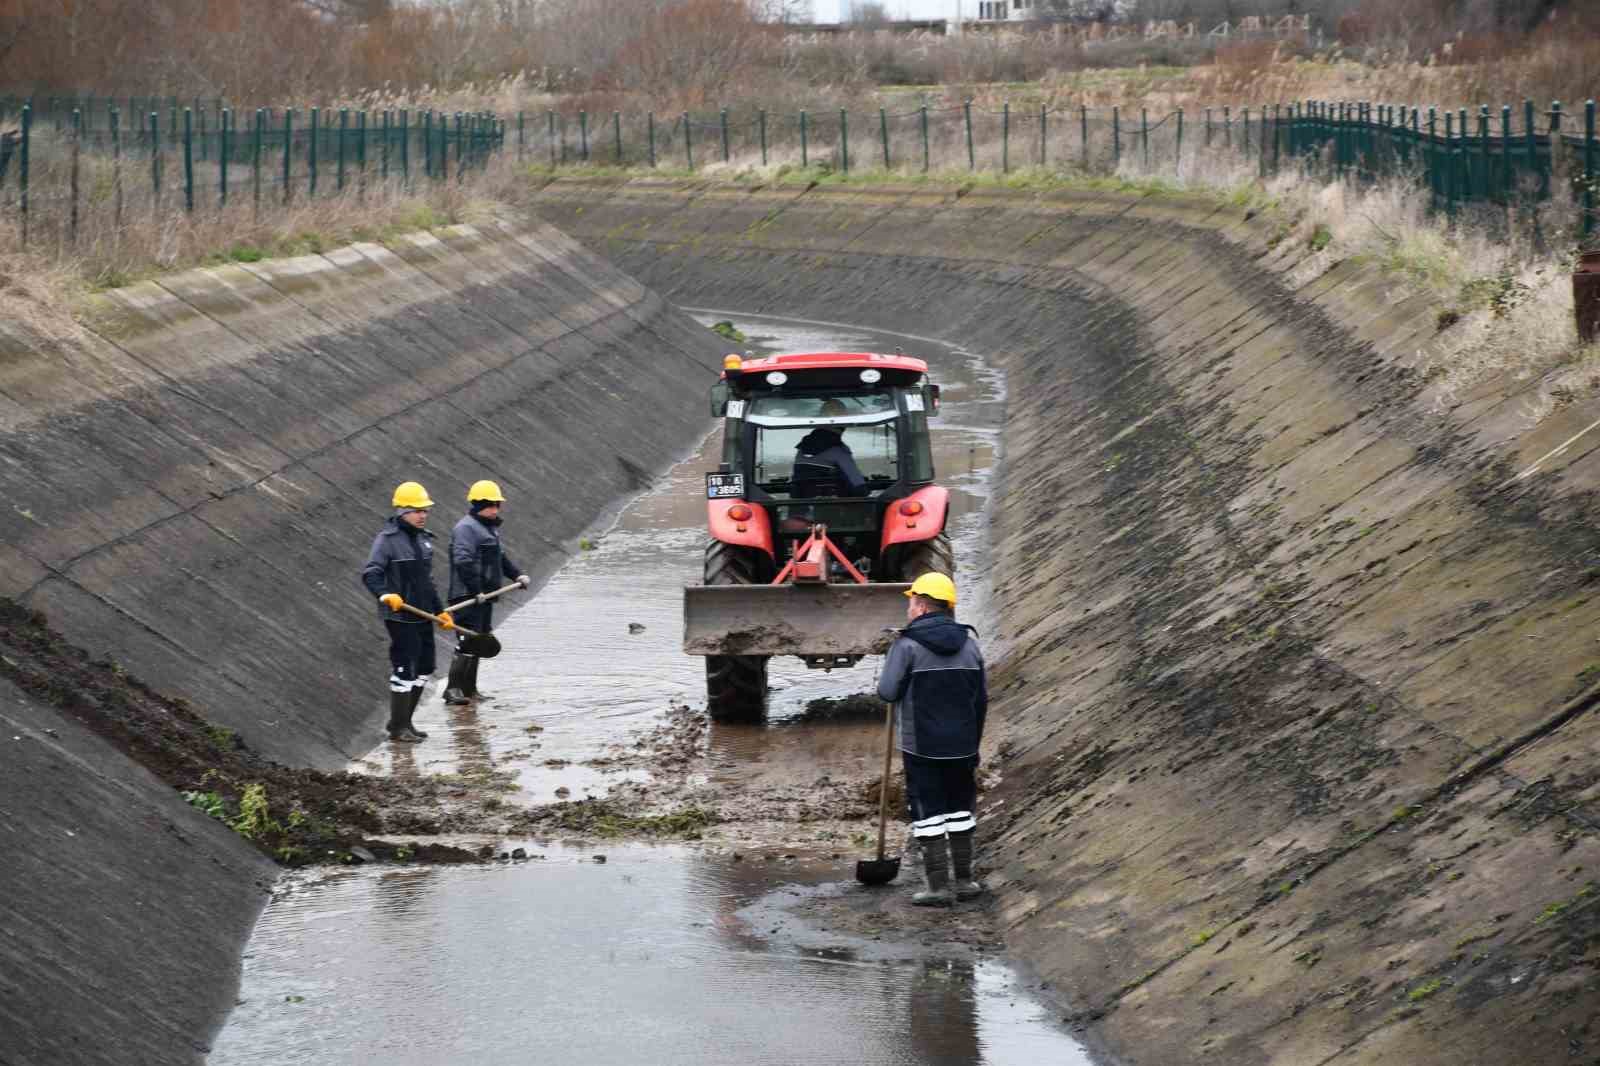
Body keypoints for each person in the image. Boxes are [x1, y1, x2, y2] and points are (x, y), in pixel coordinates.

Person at [876, 572, 987, 906]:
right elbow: (981, 699)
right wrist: (973, 741)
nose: (909, 609)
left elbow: (886, 692)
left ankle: (937, 888)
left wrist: (892, 659)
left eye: (911, 602)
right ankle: (965, 882)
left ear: (922, 607)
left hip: (921, 746)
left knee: (927, 811)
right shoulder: (970, 644)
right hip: (964, 744)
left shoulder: (906, 644)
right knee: (960, 808)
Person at [362, 481, 452, 743]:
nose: (423, 515)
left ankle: (405, 723)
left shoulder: (423, 541)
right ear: (402, 511)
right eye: (417, 510)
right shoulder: (387, 540)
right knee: (405, 668)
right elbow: (371, 573)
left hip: (423, 614)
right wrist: (385, 594)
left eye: (425, 510)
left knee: (425, 667)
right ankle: (398, 728)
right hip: (400, 616)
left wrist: (441, 611)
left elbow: (428, 582)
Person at [444, 479, 529, 705]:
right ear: (478, 505)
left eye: (497, 505)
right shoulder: (466, 528)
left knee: (478, 642)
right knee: (466, 641)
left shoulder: (488, 529)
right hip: (467, 595)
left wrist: (517, 575)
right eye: (491, 505)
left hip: (485, 597)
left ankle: (470, 691)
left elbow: (500, 558)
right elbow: (463, 562)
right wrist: (476, 591)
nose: (495, 509)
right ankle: (452, 690)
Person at [793, 398, 869, 498]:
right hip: (832, 509)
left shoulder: (802, 449)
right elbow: (859, 488)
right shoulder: (838, 451)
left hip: (800, 509)